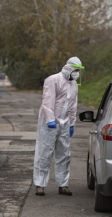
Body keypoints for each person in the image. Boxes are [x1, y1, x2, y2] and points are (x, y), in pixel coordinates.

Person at [33, 56, 85, 196]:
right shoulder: (53, 80)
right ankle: (40, 184)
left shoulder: (73, 84)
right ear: (69, 67)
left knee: (64, 155)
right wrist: (50, 120)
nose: (76, 73)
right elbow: (47, 101)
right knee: (44, 153)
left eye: (78, 70)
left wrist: (72, 123)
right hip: (49, 123)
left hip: (65, 123)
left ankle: (63, 184)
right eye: (75, 69)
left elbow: (73, 105)